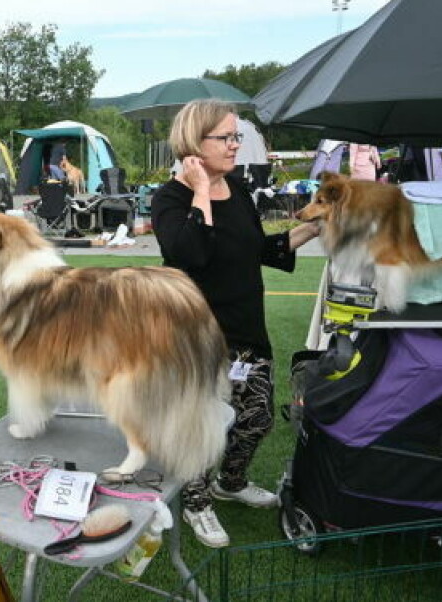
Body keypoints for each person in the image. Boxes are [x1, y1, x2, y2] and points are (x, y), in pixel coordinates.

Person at [151, 99, 320, 549]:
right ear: (193, 143)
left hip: (247, 329)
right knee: (200, 429)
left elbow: (257, 249)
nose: (235, 145)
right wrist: (200, 192)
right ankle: (195, 501)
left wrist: (313, 229)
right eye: (225, 137)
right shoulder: (169, 198)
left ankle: (231, 480)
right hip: (196, 340)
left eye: (235, 136)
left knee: (257, 418)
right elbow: (190, 253)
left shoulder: (240, 190)